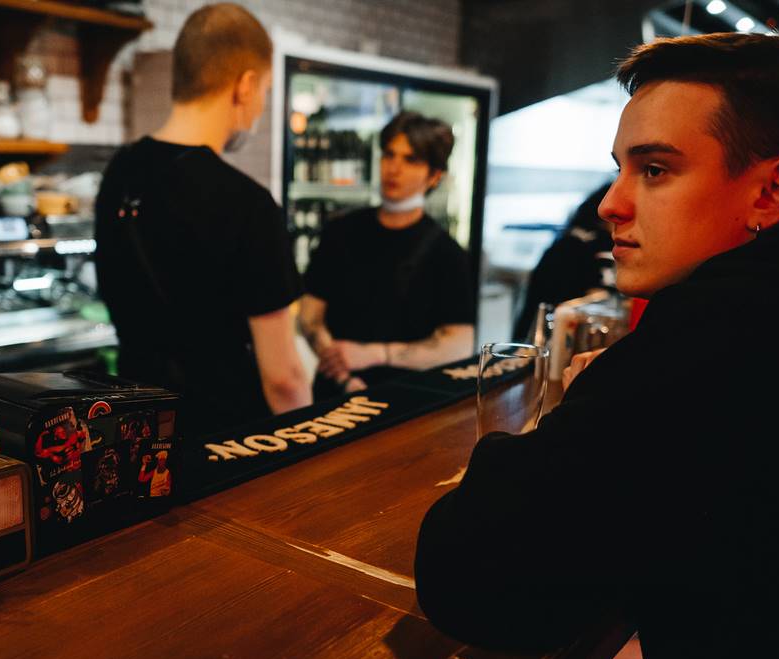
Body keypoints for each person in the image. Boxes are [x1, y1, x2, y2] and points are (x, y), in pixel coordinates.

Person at [414, 32, 779, 659]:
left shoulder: (717, 341)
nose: (611, 204)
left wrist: (565, 419)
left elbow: (468, 576)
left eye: (656, 170)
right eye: (620, 169)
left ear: (772, 192)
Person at [94, 3, 311, 434]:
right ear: (245, 86)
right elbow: (284, 379)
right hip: (226, 437)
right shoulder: (248, 204)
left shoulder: (118, 172)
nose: (260, 106)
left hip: (137, 433)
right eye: (265, 90)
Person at [299, 111, 476, 398]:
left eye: (411, 160)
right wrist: (344, 377)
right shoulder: (340, 231)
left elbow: (458, 345)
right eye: (389, 155)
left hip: (410, 398)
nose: (394, 168)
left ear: (434, 176)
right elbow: (309, 317)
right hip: (335, 394)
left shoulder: (447, 252)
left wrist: (375, 353)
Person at [513, 181, 614, 342]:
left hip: (534, 331)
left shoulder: (569, 240)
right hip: (557, 335)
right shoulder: (593, 245)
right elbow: (598, 296)